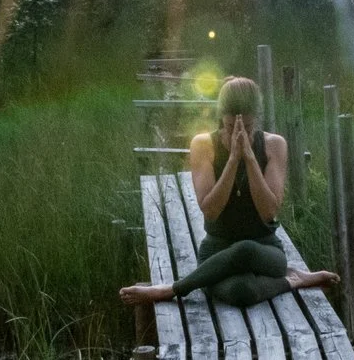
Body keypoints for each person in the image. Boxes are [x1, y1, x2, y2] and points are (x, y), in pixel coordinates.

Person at [120, 76, 340, 310]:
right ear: (220, 118)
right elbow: (211, 210)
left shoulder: (274, 145)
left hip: (263, 250)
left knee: (245, 248)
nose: (238, 133)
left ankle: (172, 289)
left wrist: (250, 157)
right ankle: (294, 279)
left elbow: (269, 211)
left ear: (256, 119)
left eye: (246, 127)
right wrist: (233, 159)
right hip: (217, 251)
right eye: (230, 126)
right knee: (241, 292)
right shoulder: (203, 145)